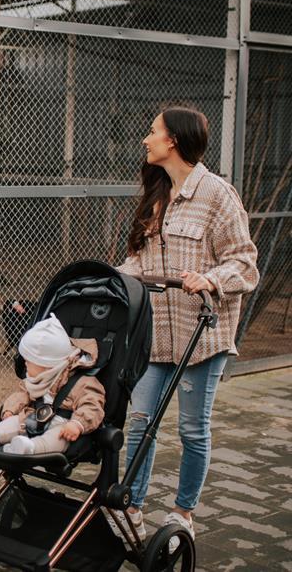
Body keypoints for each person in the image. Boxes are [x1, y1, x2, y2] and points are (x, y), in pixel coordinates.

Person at [116, 105, 258, 544]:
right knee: (140, 421)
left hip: (202, 337)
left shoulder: (217, 195)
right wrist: (112, 278)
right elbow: (139, 261)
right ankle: (131, 508)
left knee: (192, 429)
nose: (146, 139)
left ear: (173, 140)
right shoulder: (157, 193)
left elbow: (245, 264)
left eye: (153, 131)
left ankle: (183, 512)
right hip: (156, 334)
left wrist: (211, 279)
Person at [0, 314, 104, 455]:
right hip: (33, 419)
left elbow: (92, 406)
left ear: (47, 365)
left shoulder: (82, 382)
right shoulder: (35, 379)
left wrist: (77, 424)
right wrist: (10, 410)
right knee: (16, 421)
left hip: (63, 426)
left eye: (29, 361)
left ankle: (29, 447)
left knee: (57, 438)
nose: (25, 365)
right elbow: (21, 394)